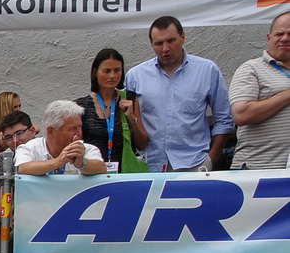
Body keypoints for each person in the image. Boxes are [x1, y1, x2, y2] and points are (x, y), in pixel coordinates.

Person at [124, 16, 234, 172]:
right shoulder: (135, 76)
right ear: (151, 44)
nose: (165, 48)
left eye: (171, 40)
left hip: (195, 164)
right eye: (159, 43)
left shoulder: (207, 70)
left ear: (183, 37)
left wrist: (211, 159)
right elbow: (128, 124)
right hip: (150, 165)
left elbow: (224, 119)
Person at [229, 13, 290, 171]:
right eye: (279, 34)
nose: (284, 38)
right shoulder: (251, 69)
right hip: (259, 172)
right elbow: (241, 114)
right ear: (269, 38)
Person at [15, 100, 108, 177]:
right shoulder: (30, 148)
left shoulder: (87, 149)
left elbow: (102, 168)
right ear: (51, 131)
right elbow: (23, 168)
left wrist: (81, 163)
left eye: (80, 127)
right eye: (72, 129)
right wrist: (58, 162)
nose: (78, 133)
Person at [0, 92, 22, 158]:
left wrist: (7, 142)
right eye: (15, 107)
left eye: (19, 106)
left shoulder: (21, 130)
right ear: (4, 109)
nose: (19, 110)